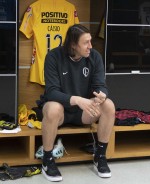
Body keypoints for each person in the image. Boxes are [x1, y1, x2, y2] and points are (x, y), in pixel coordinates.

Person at [41, 24, 115, 182]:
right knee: (52, 108)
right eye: (86, 43)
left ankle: (100, 156)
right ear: (73, 45)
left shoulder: (94, 56)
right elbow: (51, 92)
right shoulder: (54, 56)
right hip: (60, 112)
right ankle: (47, 160)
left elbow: (100, 85)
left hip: (84, 112)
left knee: (108, 105)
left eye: (90, 41)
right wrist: (77, 100)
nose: (90, 46)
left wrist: (102, 94)